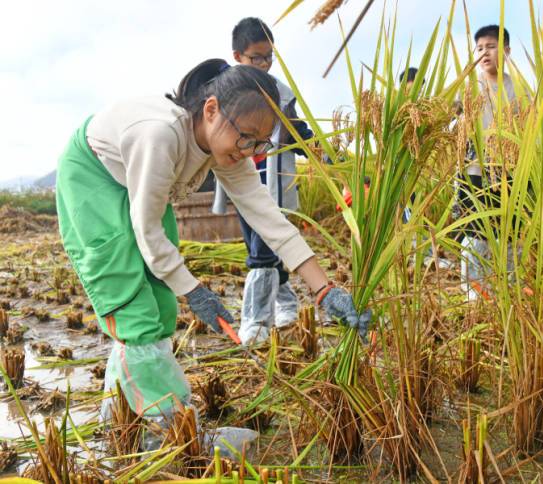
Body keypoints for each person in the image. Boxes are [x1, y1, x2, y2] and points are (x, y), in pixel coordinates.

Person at [55, 59, 369, 452]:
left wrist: (325, 291)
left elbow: (271, 220)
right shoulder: (160, 136)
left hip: (133, 186)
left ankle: (120, 415)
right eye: (247, 138)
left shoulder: (229, 150)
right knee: (134, 307)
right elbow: (148, 232)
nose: (251, 150)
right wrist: (196, 290)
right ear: (211, 110)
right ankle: (172, 433)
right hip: (93, 178)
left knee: (160, 304)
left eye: (260, 143)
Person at [212, 17, 315, 343]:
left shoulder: (280, 93)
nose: (265, 63)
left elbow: (298, 131)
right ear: (237, 56)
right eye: (257, 57)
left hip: (273, 181)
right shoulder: (226, 91)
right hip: (241, 178)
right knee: (263, 245)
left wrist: (317, 150)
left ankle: (256, 324)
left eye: (269, 56)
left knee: (263, 249)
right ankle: (286, 303)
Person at [454, 24, 525, 300]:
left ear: (506, 50)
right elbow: (449, 118)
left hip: (509, 173)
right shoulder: (469, 87)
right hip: (474, 173)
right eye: (480, 48)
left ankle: (508, 293)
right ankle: (474, 297)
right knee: (475, 237)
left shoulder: (518, 88)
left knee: (509, 236)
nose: (484, 52)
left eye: (491, 46)